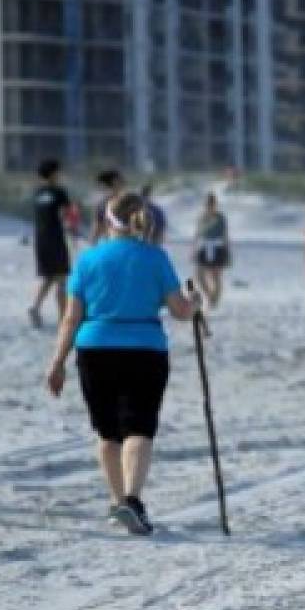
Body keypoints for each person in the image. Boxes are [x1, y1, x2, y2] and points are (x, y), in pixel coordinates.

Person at [44, 191, 199, 534]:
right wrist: (195, 303)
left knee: (108, 431)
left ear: (103, 221)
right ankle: (132, 499)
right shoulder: (155, 257)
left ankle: (118, 503)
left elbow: (70, 318)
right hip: (145, 349)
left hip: (94, 349)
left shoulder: (87, 261)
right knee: (139, 427)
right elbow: (179, 311)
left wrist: (57, 363)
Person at [28, 158, 72, 328]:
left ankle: (35, 306)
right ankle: (63, 318)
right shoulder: (59, 192)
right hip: (55, 238)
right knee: (62, 278)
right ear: (54, 173)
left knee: (48, 276)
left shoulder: (37, 192)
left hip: (40, 239)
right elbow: (68, 214)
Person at [192, 191, 230, 309]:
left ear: (215, 204)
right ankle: (209, 297)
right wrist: (193, 249)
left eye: (211, 204)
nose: (209, 206)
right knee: (199, 275)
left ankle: (214, 300)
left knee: (216, 276)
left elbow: (225, 235)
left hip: (217, 247)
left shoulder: (220, 217)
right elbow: (197, 234)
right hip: (204, 247)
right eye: (207, 204)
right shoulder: (202, 217)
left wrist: (227, 251)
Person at [89, 168, 125, 243]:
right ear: (115, 182)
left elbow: (97, 228)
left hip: (114, 244)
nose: (123, 184)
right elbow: (98, 227)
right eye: (121, 181)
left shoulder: (102, 204)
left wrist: (92, 244)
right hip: (118, 244)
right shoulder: (102, 205)